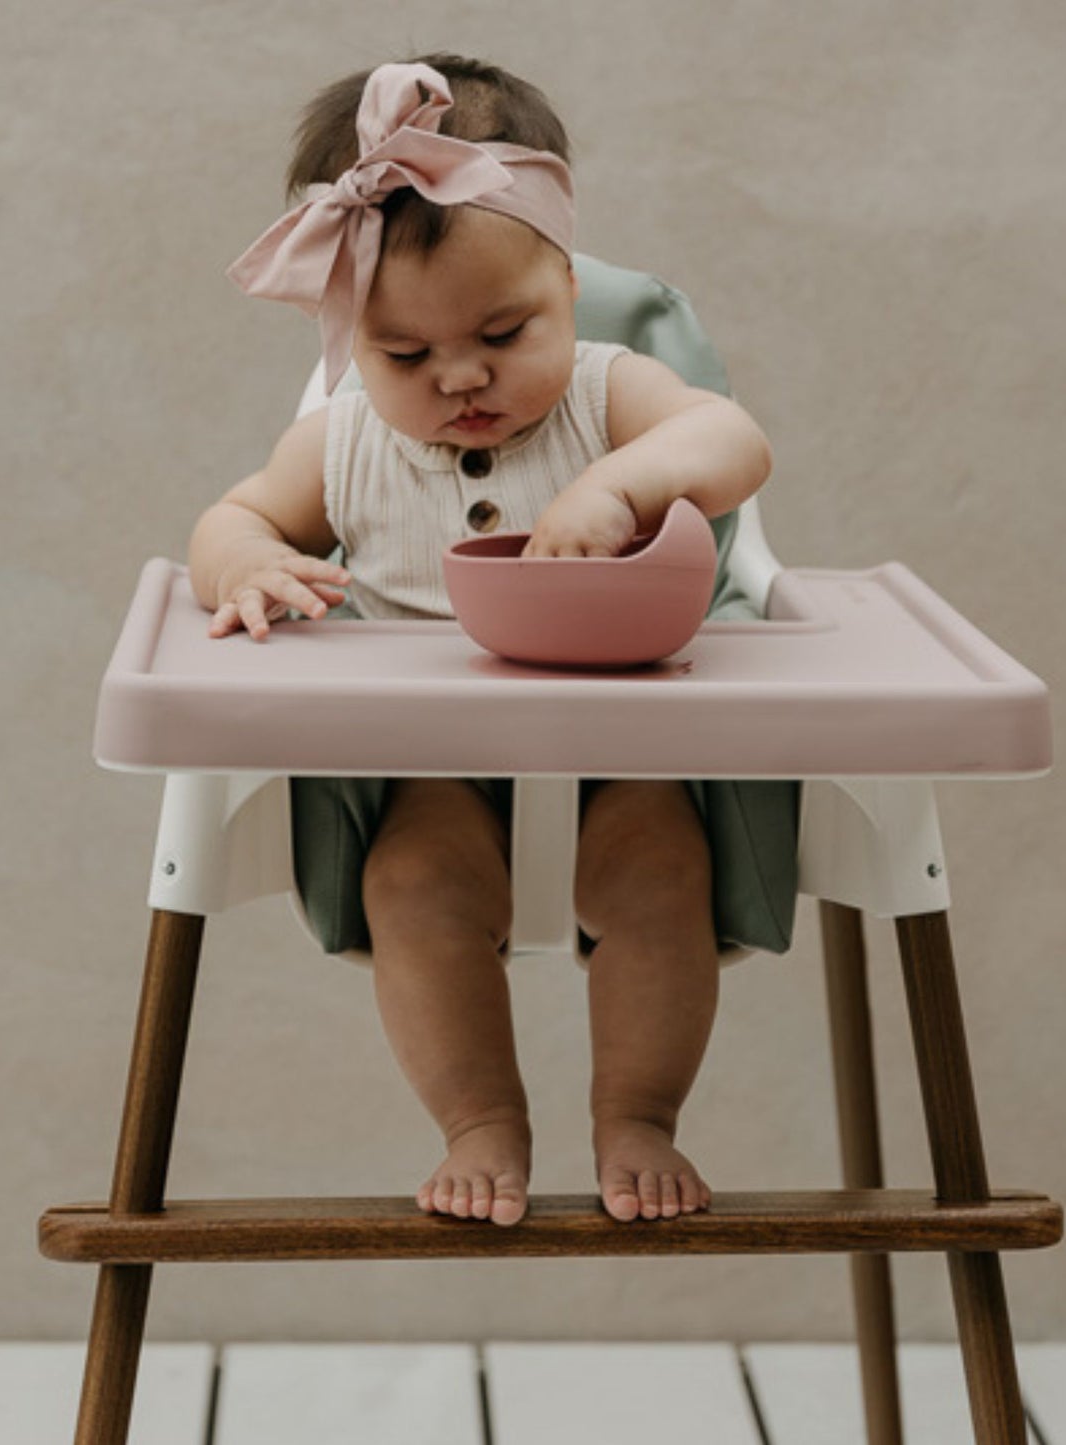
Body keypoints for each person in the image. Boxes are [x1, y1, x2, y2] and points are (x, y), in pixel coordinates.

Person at [188, 55, 774, 1228]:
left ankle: (639, 1110)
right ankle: (477, 1116)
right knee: (408, 883)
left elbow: (732, 438)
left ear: (563, 278)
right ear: (347, 336)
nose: (459, 375)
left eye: (504, 331)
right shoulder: (344, 446)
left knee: (663, 874)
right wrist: (247, 562)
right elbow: (231, 515)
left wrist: (622, 486)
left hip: (626, 759)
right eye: (403, 355)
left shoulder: (612, 397)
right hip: (438, 772)